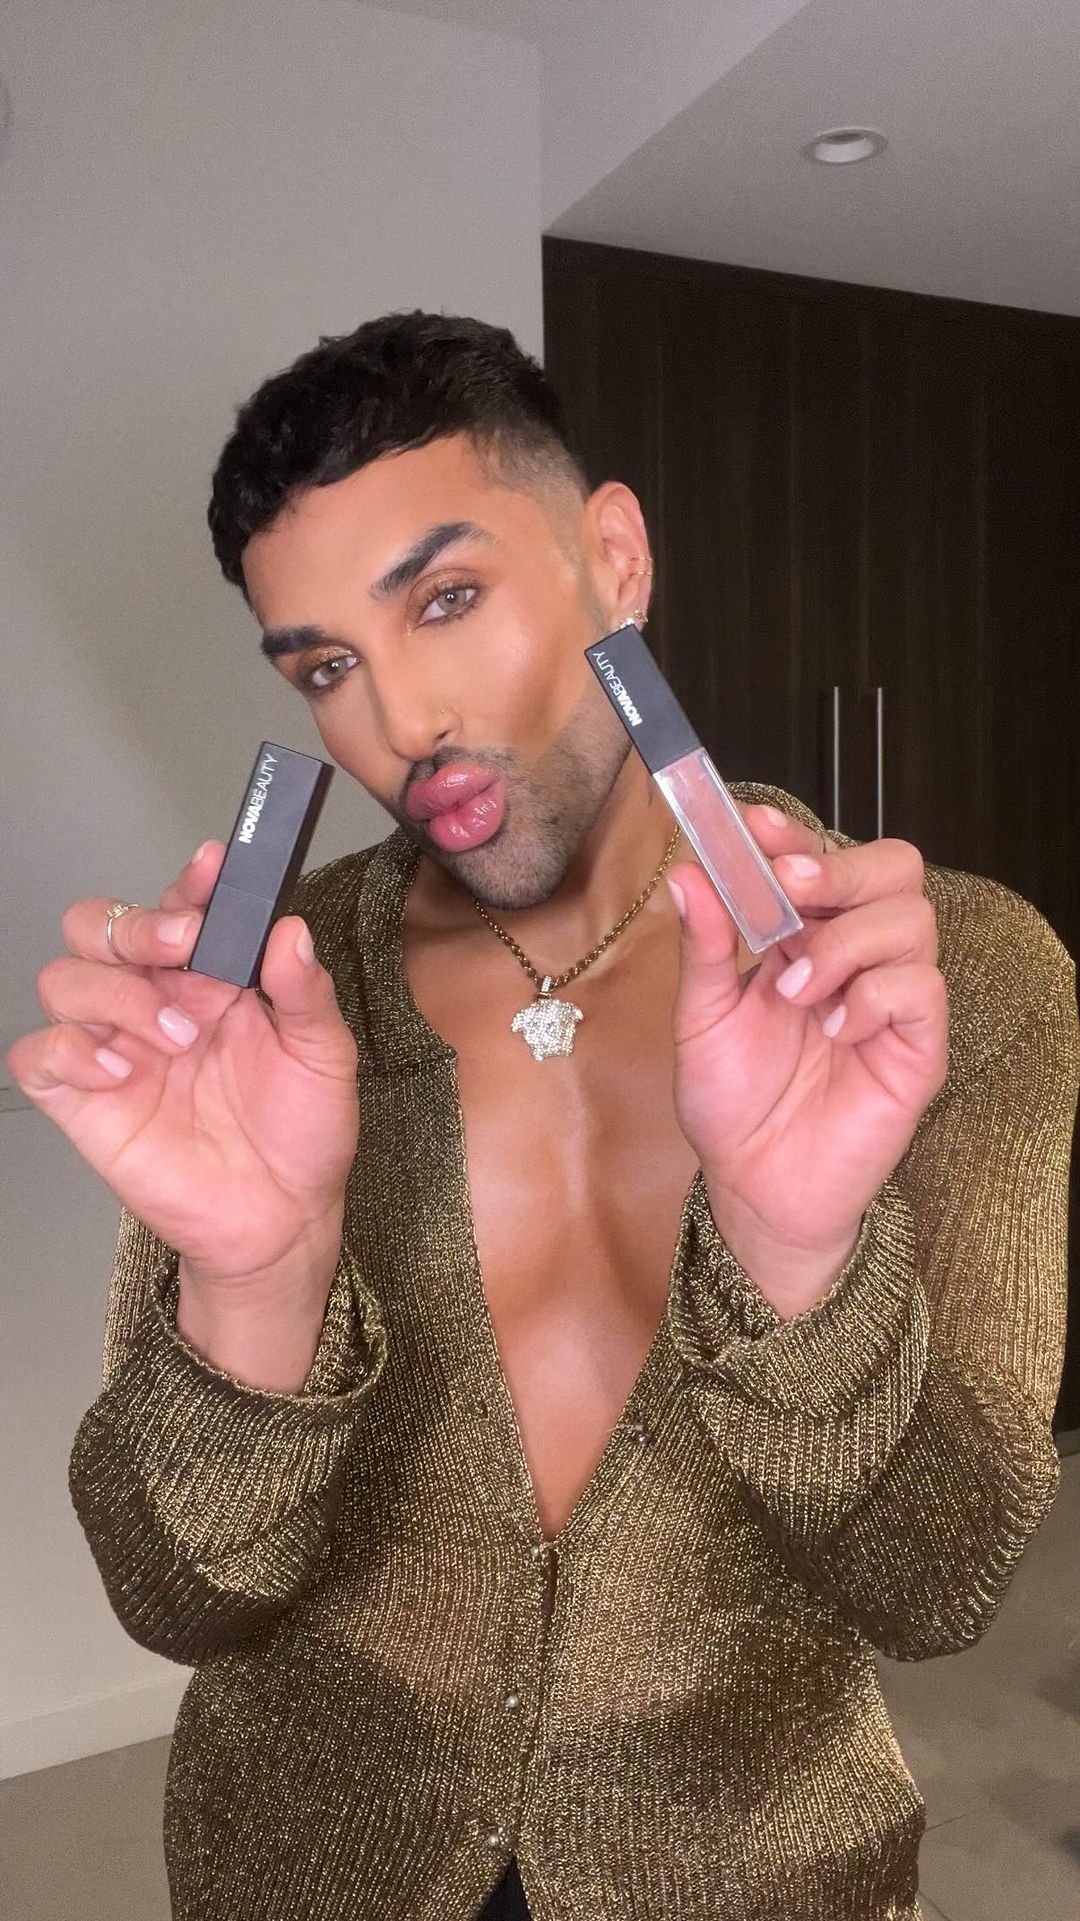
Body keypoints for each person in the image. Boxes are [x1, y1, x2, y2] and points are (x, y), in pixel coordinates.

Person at [8, 312, 1078, 1921]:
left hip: (759, 1876)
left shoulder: (948, 979)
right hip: (304, 1868)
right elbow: (176, 1597)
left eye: (446, 597)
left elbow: (937, 1583)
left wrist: (799, 1257)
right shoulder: (263, 999)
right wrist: (257, 1276)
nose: (401, 720)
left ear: (615, 560)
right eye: (326, 667)